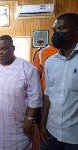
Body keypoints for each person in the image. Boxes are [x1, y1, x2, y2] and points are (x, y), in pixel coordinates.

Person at [0, 35, 43, 150]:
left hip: (17, 124)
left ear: (13, 48)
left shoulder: (27, 68)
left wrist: (29, 119)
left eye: (3, 49)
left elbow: (35, 97)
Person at [41, 13, 78, 150]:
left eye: (61, 28)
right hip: (53, 130)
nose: (56, 33)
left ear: (76, 31)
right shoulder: (50, 62)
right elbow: (48, 94)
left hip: (74, 135)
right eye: (54, 30)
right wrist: (43, 124)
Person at [33, 44, 59, 150]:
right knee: (45, 138)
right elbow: (34, 80)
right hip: (45, 106)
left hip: (69, 107)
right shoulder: (41, 53)